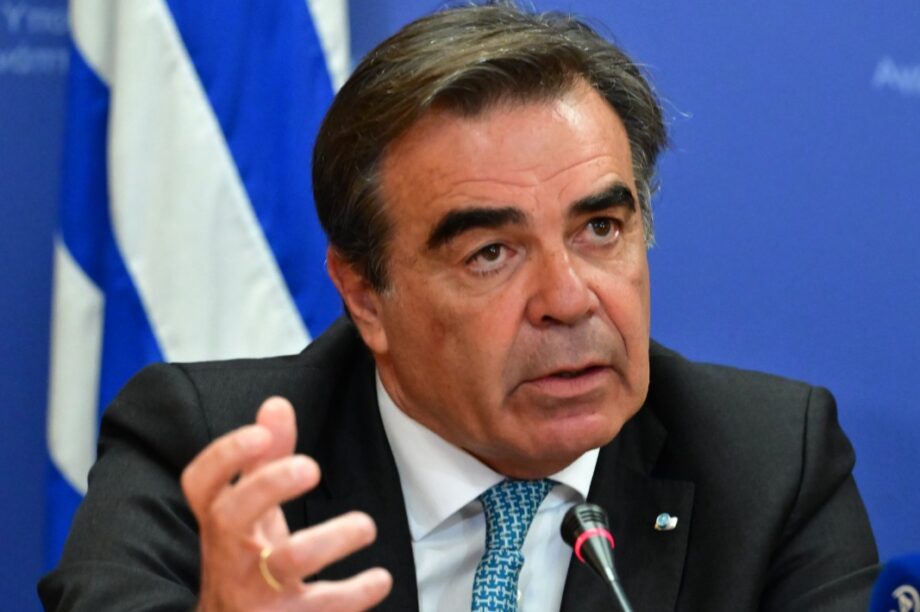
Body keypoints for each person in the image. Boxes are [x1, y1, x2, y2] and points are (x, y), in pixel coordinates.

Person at [39, 3, 878, 611]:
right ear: (365, 296)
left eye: (600, 228)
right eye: (491, 254)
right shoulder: (210, 458)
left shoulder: (769, 466)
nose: (567, 301)